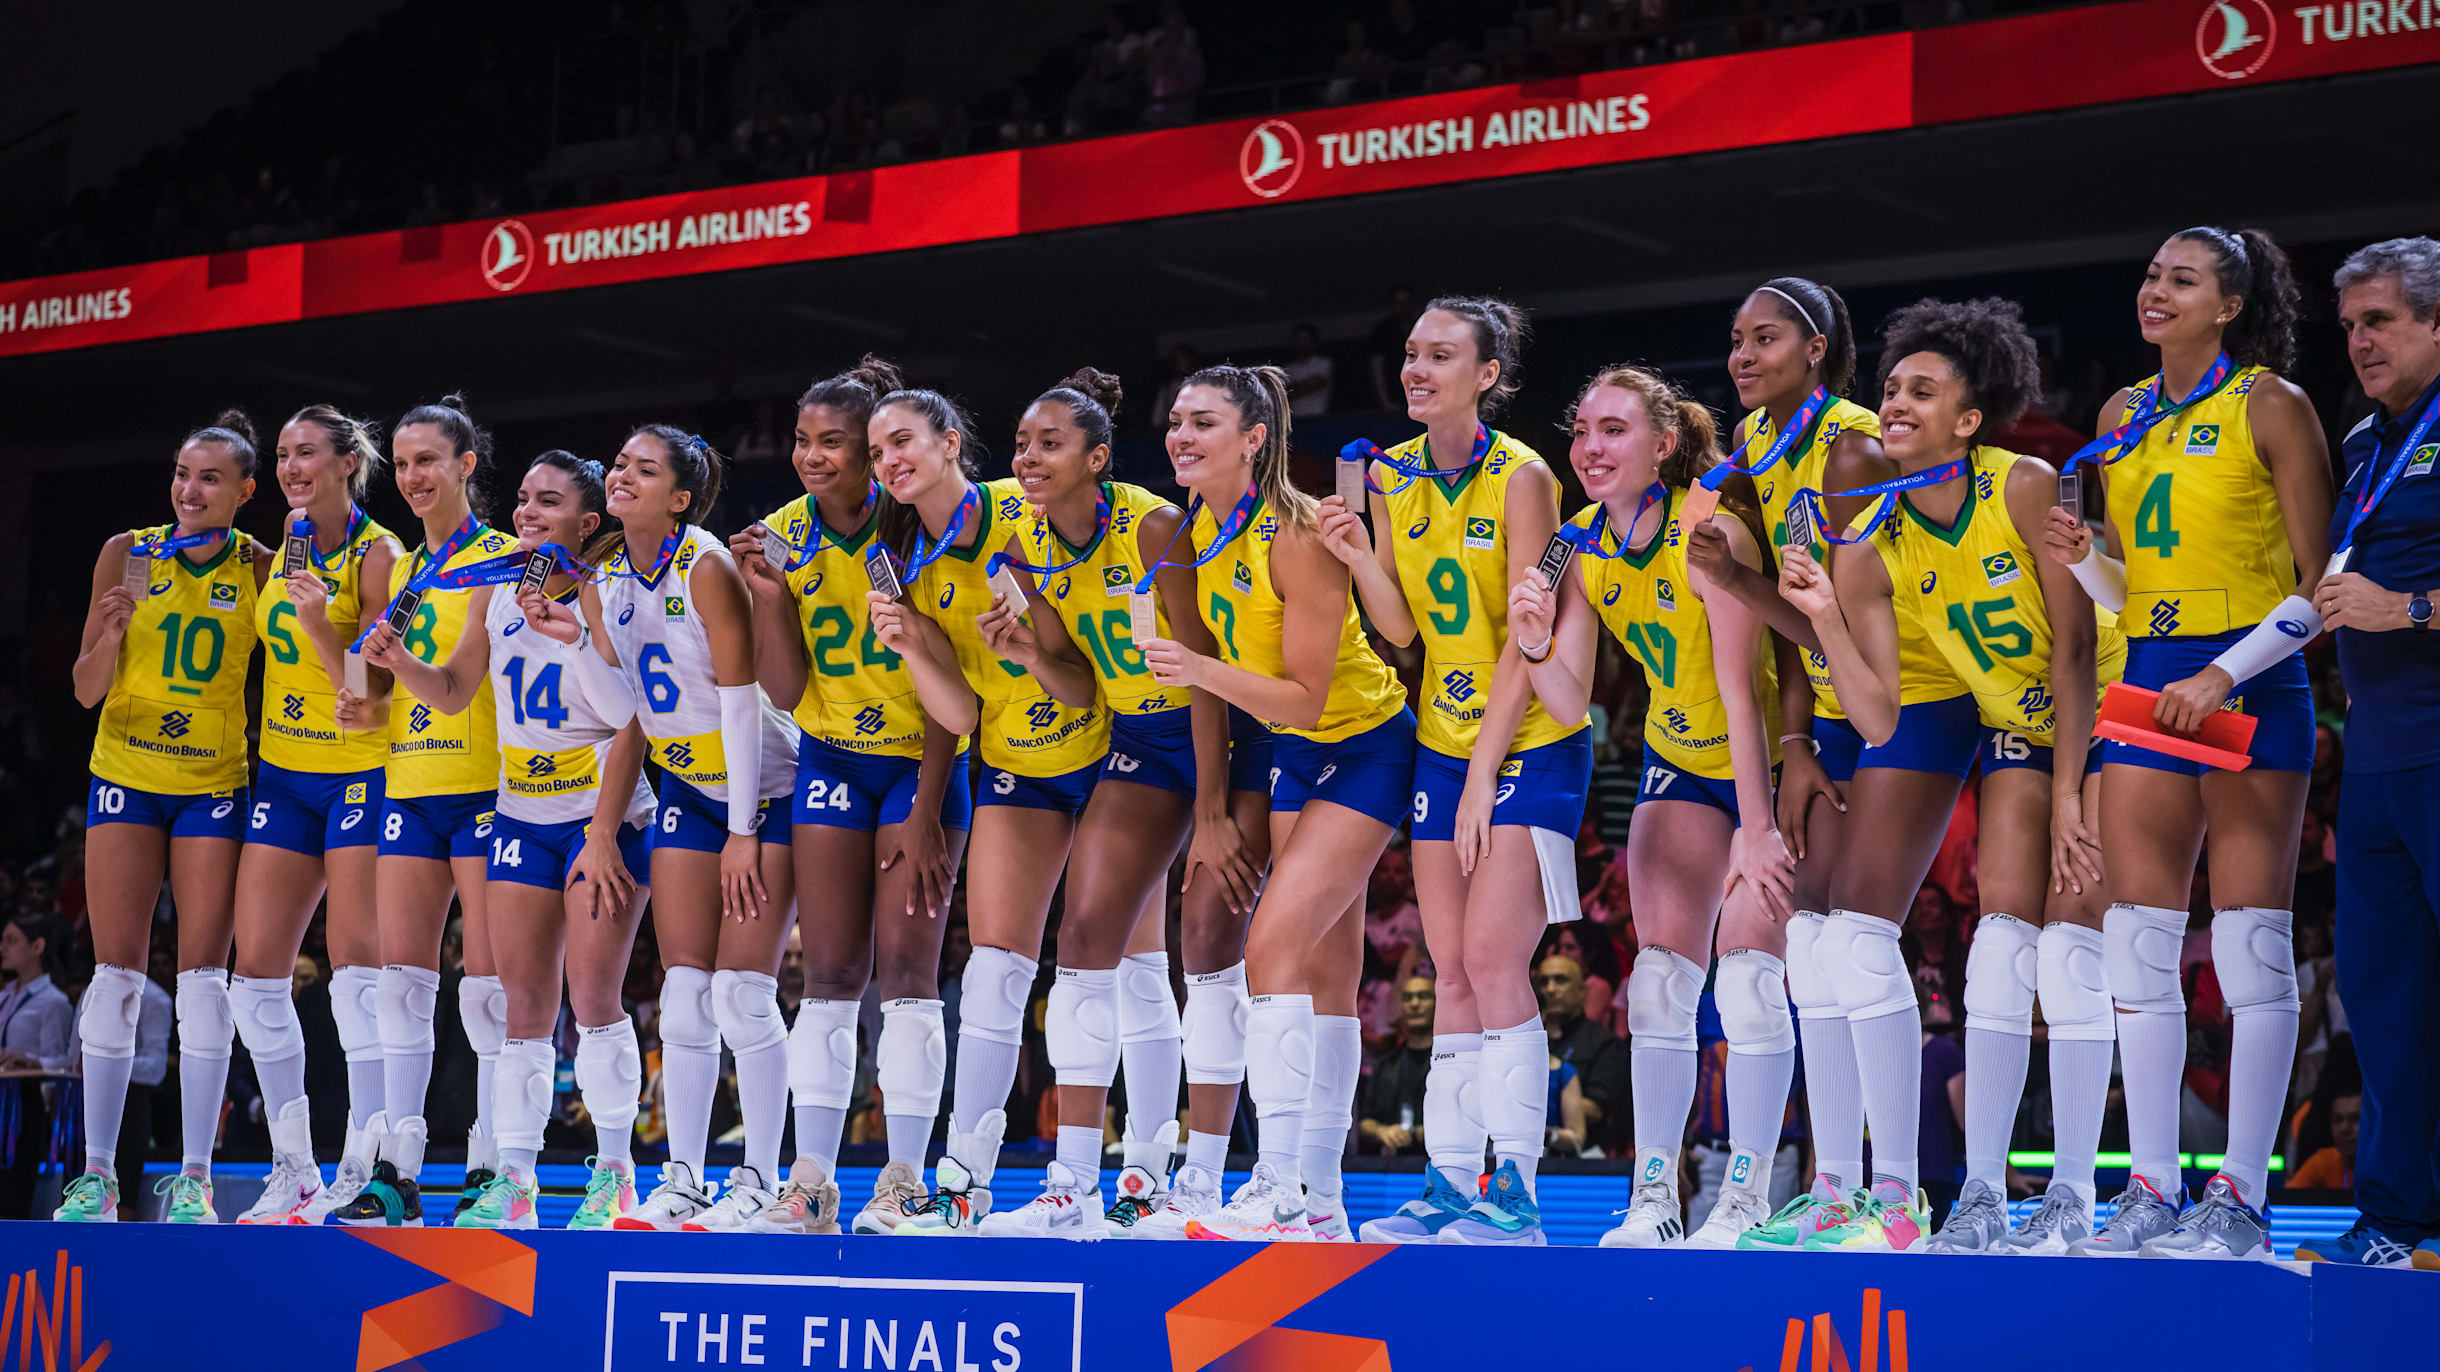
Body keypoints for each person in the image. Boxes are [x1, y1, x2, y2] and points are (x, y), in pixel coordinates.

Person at [1782, 297, 2122, 1254]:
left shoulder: (2024, 485)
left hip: (2104, 725)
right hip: (2015, 730)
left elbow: (2076, 650)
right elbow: (1881, 716)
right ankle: (1978, 1193)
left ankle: (2071, 1197)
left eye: (1921, 392)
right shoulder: (1874, 534)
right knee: (1999, 958)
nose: (1893, 403)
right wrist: (1818, 614)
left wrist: (2068, 796)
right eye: (1890, 387)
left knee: (2072, 954)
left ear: (1969, 420)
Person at [2041, 228, 2330, 1258]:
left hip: (2245, 680)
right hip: (2150, 684)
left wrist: (2226, 672)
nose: (2154, 292)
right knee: (2137, 944)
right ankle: (2151, 1189)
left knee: (2251, 948)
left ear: (2230, 305)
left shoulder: (2270, 406)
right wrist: (2085, 566)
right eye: (2151, 275)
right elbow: (2139, 595)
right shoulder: (2119, 415)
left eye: (2182, 280)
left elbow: (2318, 581)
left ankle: (2242, 1203)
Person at [1682, 277, 1971, 1253]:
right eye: (1733, 338)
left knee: (1856, 940)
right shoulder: (1759, 447)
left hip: (1916, 692)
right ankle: (1836, 1189)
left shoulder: (1847, 446)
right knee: (1810, 947)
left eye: (1765, 337)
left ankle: (1898, 1196)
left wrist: (1741, 581)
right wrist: (1798, 743)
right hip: (1837, 698)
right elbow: (1805, 624)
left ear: (1816, 349)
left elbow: (1842, 614)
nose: (1742, 354)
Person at [1510, 363, 1796, 1249]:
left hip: (1767, 762)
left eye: (1615, 430)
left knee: (1748, 983)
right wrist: (1531, 640)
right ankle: (1655, 1203)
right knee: (1660, 983)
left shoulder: (1708, 528)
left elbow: (1743, 690)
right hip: (1677, 756)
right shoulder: (1579, 542)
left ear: (1664, 445)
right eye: (1583, 430)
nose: (1591, 448)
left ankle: (1745, 1199)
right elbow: (1569, 703)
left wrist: (1757, 830)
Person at [1333, 297, 1588, 1246]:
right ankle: (1449, 1183)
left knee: (1492, 957)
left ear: (1488, 375)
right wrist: (1360, 552)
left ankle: (1516, 1193)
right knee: (1451, 970)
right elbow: (1400, 632)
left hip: (1528, 742)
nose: (1416, 370)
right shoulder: (1391, 473)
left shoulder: (1525, 479)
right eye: (1409, 355)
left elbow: (1532, 640)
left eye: (1441, 356)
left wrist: (1483, 772)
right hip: (1443, 735)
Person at [1140, 363, 1415, 1242]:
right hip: (1300, 758)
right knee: (1328, 979)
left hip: (1366, 745)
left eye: (1205, 423)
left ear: (1254, 440)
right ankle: (1324, 1203)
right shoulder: (1187, 533)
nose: (1182, 436)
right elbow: (1237, 701)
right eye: (1178, 421)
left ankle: (1277, 1182)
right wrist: (1212, 805)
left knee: (1271, 948)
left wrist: (1196, 670)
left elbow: (1299, 694)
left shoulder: (1295, 534)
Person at [364, 451, 658, 1230]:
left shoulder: (608, 596)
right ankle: (515, 1181)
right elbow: (457, 692)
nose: (526, 513)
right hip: (521, 814)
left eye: (548, 502)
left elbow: (630, 719)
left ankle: (614, 1175)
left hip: (604, 816)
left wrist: (568, 639)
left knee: (594, 1002)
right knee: (522, 1006)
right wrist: (401, 664)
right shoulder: (497, 590)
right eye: (523, 499)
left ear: (587, 524)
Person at [860, 384, 1110, 1235]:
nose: (890, 459)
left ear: (951, 441)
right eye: (879, 450)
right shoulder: (905, 562)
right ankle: (964, 1182)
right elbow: (957, 714)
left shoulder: (1021, 511)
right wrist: (909, 647)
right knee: (994, 969)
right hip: (1012, 761)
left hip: (1112, 744)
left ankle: (1129, 1176)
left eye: (903, 441)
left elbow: (1085, 655)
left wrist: (1031, 641)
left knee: (1120, 970)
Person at [733, 359, 969, 1236]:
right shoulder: (783, 536)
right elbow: (787, 691)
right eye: (803, 441)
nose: (812, 457)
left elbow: (953, 683)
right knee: (828, 977)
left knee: (909, 974)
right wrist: (767, 598)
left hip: (922, 758)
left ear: (874, 453)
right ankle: (812, 1183)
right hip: (832, 753)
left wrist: (927, 808)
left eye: (833, 443)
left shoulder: (917, 529)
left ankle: (905, 1179)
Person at [567, 428, 799, 1231]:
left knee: (743, 993)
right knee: (684, 997)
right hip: (690, 790)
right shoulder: (602, 578)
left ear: (680, 498)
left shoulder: (706, 568)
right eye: (620, 463)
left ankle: (761, 1179)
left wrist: (743, 830)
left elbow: (741, 703)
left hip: (764, 790)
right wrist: (574, 641)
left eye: (644, 468)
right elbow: (621, 711)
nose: (623, 474)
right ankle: (686, 1179)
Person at [60, 411, 269, 1222]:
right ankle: (99, 1174)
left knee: (202, 984)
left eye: (211, 478)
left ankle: (195, 1178)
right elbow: (84, 689)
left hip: (213, 779)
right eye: (183, 474)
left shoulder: (259, 565)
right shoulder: (128, 550)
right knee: (115, 980)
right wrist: (110, 633)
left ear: (245, 491)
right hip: (125, 775)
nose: (190, 490)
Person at [334, 396, 519, 1226]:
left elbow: (456, 691)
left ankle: (488, 1166)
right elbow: (390, 700)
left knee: (487, 992)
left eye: (427, 462)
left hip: (489, 786)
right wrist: (361, 699)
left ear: (466, 464)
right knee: (397, 988)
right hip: (408, 787)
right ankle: (395, 1169)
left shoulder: (505, 560)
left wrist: (395, 660)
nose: (411, 477)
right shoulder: (406, 569)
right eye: (402, 464)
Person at [2293, 236, 2440, 1271]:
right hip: (2380, 769)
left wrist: (2413, 608)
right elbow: (2325, 589)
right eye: (2347, 326)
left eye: (2379, 320)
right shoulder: (2360, 445)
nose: (2358, 343)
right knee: (2386, 1006)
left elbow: (2389, 602)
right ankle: (2394, 1219)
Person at [227, 406, 402, 1224]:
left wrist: (312, 621)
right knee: (253, 981)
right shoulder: (285, 545)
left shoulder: (379, 555)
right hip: (283, 775)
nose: (292, 467)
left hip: (360, 773)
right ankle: (292, 1167)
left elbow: (370, 697)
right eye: (284, 455)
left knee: (358, 981)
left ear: (348, 462)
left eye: (307, 454)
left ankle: (358, 1166)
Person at [0, 914, 74, 1218]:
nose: (3, 947)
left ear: (38, 946)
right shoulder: (4, 996)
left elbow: (62, 1061)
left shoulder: (53, 1001)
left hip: (25, 1106)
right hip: (4, 1098)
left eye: (11, 940)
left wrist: (31, 1061)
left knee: (12, 1199)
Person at [1533, 954, 1629, 1150]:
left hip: (1583, 1158)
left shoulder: (1603, 1043)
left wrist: (1526, 1108)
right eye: (1544, 982)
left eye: (1560, 980)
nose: (1550, 989)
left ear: (1581, 991)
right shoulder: (1527, 1040)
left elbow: (1595, 1109)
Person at [1359, 975, 1436, 1156]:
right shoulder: (1385, 1065)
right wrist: (1382, 1132)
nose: (1414, 1004)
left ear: (1438, 1003)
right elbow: (1364, 1122)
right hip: (1393, 1168)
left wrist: (1417, 1134)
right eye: (1408, 998)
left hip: (1441, 1164)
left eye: (1423, 996)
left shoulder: (1450, 1064)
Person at [2288, 1091, 2360, 1190]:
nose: (2344, 1128)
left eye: (2355, 1118)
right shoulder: (2325, 1162)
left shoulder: (2383, 1167)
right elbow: (2289, 1197)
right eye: (2338, 1119)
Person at [1282, 325, 1334, 418]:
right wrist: (1304, 385)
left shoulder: (1324, 363)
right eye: (1299, 340)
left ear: (1314, 342)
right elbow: (1284, 394)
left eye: (1306, 340)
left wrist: (1294, 387)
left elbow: (1316, 384)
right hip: (1296, 419)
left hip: (1319, 416)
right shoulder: (1288, 368)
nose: (1302, 344)